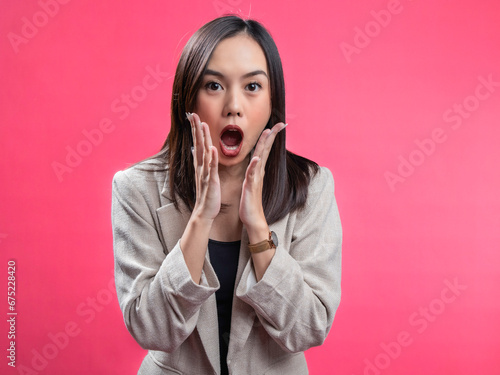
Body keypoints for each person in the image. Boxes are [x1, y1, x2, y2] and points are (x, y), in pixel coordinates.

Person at [111, 15, 342, 375]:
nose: (233, 105)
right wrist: (201, 218)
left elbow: (308, 329)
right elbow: (151, 329)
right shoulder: (135, 188)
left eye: (252, 87)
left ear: (271, 103)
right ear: (188, 99)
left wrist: (259, 231)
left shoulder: (311, 187)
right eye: (214, 86)